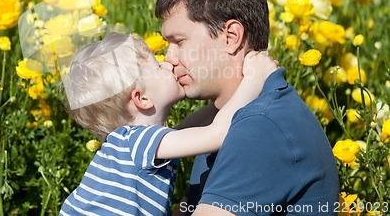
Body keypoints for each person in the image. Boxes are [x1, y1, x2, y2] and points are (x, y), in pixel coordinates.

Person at [155, 0, 339, 216]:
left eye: (179, 42)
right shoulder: (228, 115)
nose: (169, 58)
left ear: (231, 37)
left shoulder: (260, 125)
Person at [58, 32, 278, 216]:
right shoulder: (138, 141)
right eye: (158, 67)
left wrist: (227, 97)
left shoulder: (133, 143)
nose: (168, 63)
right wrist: (253, 79)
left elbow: (186, 131)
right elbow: (217, 134)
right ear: (141, 98)